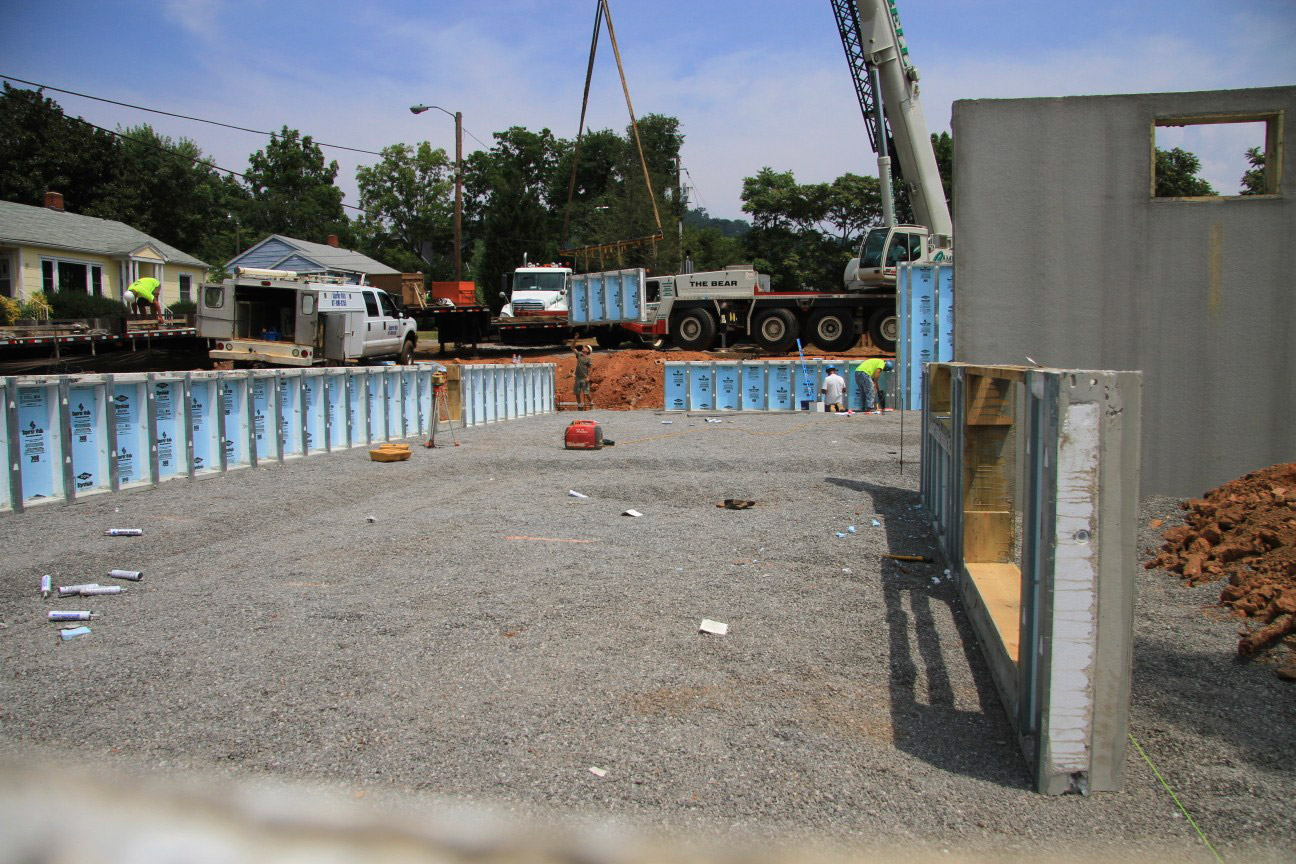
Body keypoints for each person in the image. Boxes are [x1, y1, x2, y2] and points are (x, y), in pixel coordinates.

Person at [571, 340, 593, 410]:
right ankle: (580, 405)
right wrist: (575, 339)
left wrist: (588, 377)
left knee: (586, 393)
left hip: (584, 378)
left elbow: (590, 368)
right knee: (577, 392)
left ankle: (591, 402)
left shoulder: (589, 359)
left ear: (588, 351)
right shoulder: (579, 355)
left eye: (586, 347)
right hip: (578, 378)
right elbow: (572, 347)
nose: (584, 347)